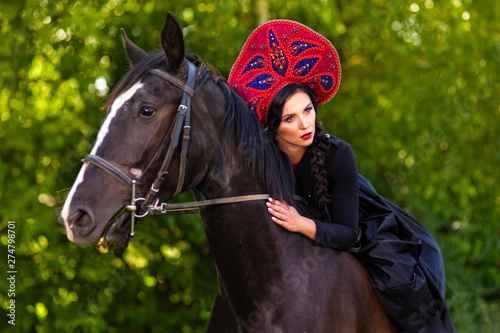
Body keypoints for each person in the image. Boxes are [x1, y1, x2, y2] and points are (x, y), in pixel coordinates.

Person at [228, 20, 455, 332]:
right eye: (291, 118)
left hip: (361, 227)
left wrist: (301, 224)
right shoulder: (262, 156)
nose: (305, 124)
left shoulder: (339, 153)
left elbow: (349, 234)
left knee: (403, 286)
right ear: (274, 126)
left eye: (308, 110)